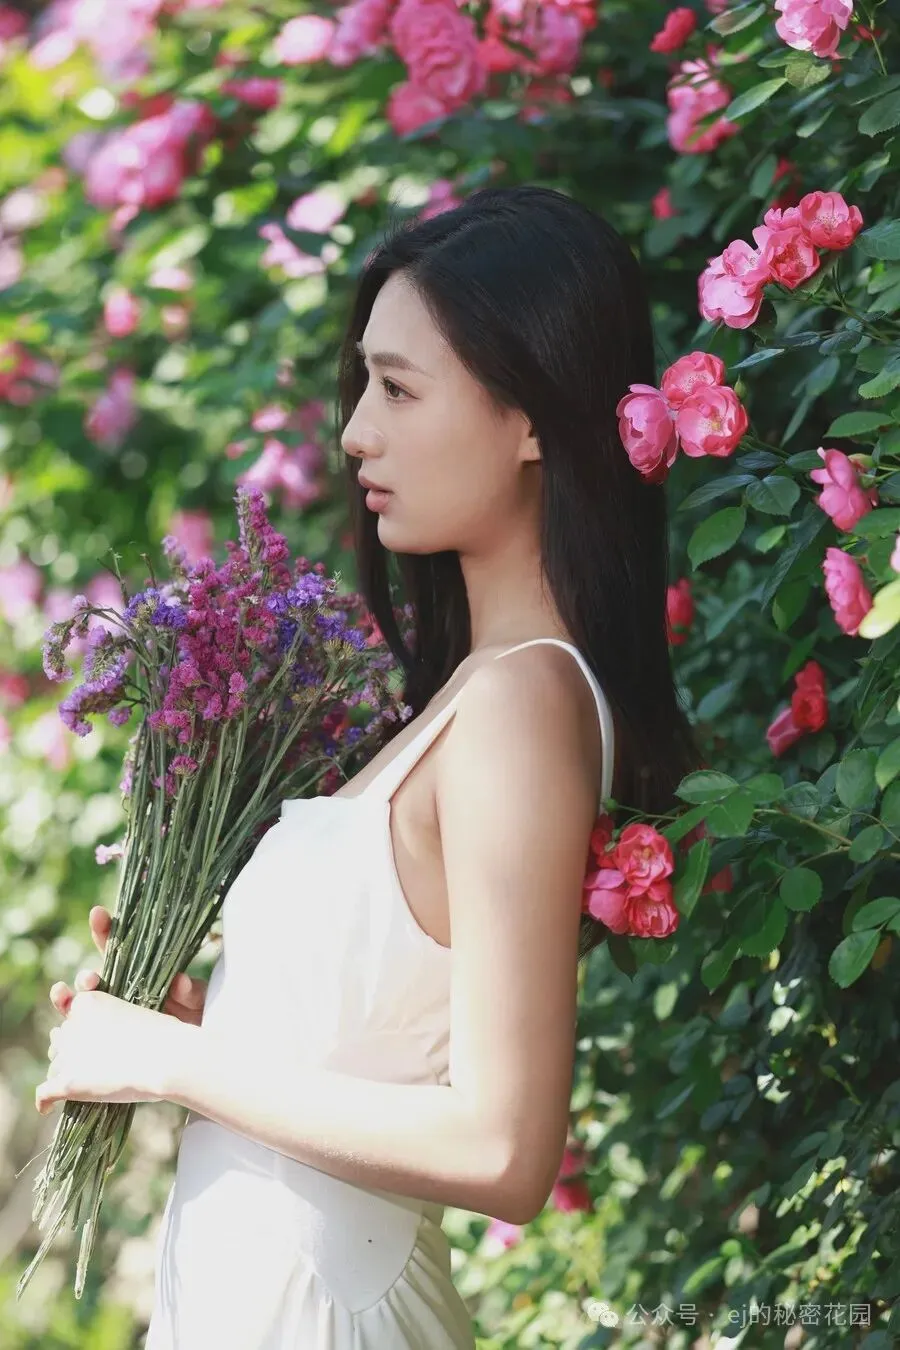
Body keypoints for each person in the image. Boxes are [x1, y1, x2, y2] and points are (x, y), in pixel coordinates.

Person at [47, 184, 697, 1348]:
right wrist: (202, 1026)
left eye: (398, 389)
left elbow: (503, 1150)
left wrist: (177, 1060)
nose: (355, 432)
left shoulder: (520, 705)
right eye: (364, 387)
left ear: (532, 419)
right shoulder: (465, 701)